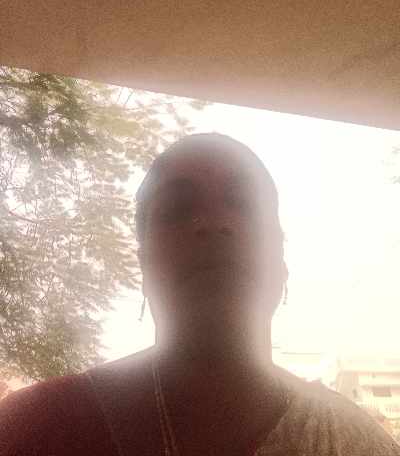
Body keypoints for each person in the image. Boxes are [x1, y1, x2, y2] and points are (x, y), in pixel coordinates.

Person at [1, 132, 399, 455]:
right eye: (177, 209)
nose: (213, 223)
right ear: (144, 266)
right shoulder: (33, 429)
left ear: (281, 260)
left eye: (244, 205)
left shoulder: (355, 444)